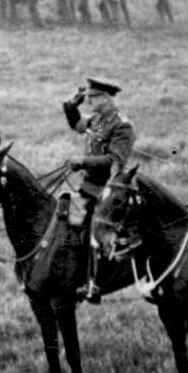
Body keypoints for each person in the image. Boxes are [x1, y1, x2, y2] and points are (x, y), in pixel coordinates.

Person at [58, 77, 135, 254]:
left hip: (107, 192)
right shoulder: (97, 119)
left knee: (96, 240)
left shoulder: (122, 125)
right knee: (70, 227)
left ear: (107, 98)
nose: (88, 100)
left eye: (93, 96)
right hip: (87, 186)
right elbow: (77, 124)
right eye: (88, 96)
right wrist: (71, 105)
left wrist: (84, 161)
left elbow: (115, 160)